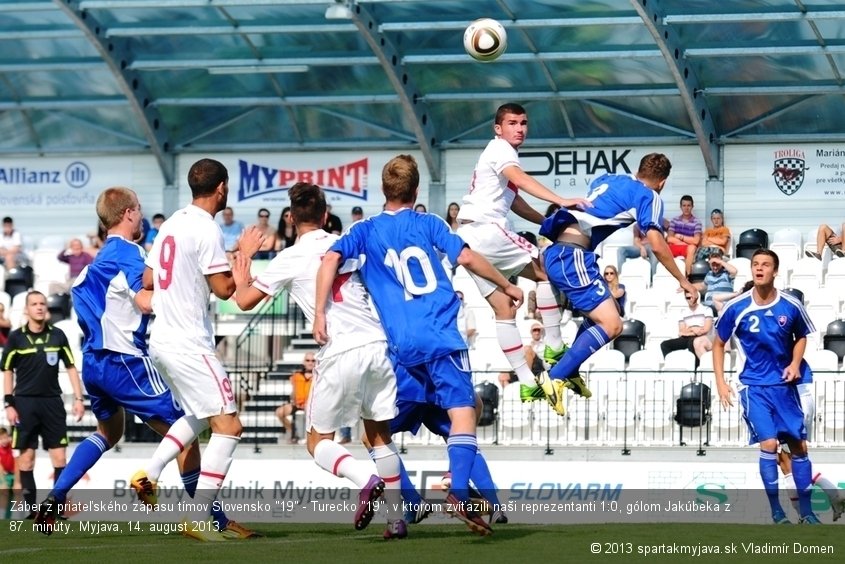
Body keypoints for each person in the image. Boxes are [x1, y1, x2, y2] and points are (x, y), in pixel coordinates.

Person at [314, 154, 523, 536]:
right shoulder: (429, 223)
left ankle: (413, 505)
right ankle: (461, 494)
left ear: (383, 190)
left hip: (402, 349)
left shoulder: (365, 230)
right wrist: (507, 285)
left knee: (375, 434)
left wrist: (319, 314)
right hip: (441, 336)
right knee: (464, 416)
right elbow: (467, 256)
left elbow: (329, 259)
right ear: (416, 190)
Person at [32, 187, 255, 538]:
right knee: (187, 431)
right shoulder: (128, 254)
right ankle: (212, 519)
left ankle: (55, 498)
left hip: (94, 362)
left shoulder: (95, 262)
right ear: (129, 214)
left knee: (109, 432)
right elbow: (147, 299)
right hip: (126, 363)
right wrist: (190, 285)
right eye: (139, 209)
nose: (141, 215)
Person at [232, 181, 405, 538]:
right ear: (326, 216)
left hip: (339, 349)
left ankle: (364, 479)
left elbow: (243, 300)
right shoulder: (347, 240)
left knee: (317, 441)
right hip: (378, 344)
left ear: (292, 220)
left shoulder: (290, 257)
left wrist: (245, 255)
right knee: (379, 437)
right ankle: (396, 519)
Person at [132, 158, 264, 541]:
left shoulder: (172, 223)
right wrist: (246, 255)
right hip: (190, 342)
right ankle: (197, 515)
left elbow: (148, 278)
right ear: (221, 187)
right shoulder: (207, 229)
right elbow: (226, 290)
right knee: (230, 425)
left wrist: (226, 253)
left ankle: (149, 473)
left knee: (199, 415)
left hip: (162, 340)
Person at [538, 153, 698, 415]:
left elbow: (596, 204)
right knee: (613, 325)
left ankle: (570, 370)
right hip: (572, 255)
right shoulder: (650, 196)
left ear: (638, 170)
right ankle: (553, 377)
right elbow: (656, 243)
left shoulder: (610, 178)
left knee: (608, 311)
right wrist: (684, 280)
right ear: (662, 182)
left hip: (561, 252)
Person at [455, 102, 590, 405]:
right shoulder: (502, 149)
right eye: (512, 123)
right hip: (487, 229)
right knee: (545, 269)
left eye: (523, 123)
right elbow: (522, 181)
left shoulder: (494, 154)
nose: (519, 129)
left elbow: (514, 201)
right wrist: (561, 201)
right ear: (498, 128)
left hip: (469, 237)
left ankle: (528, 382)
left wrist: (546, 221)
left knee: (504, 310)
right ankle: (555, 345)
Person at [712, 248, 821, 525]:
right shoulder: (735, 308)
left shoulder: (791, 305)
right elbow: (718, 343)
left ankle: (807, 513)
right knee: (770, 444)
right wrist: (721, 382)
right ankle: (776, 511)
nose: (760, 268)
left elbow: (803, 335)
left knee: (799, 447)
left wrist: (795, 363)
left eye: (766, 265)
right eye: (756, 264)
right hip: (753, 387)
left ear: (775, 271)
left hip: (785, 387)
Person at [2, 291, 83, 519]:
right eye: (34, 304)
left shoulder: (58, 336)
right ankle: (30, 510)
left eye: (42, 304)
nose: (39, 307)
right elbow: (7, 371)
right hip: (25, 404)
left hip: (52, 404)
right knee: (26, 459)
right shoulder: (16, 338)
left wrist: (78, 399)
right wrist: (9, 402)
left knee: (60, 458)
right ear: (26, 309)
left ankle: (56, 508)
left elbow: (70, 366)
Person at [659, 292, 713, 361]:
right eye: (688, 298)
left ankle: (695, 368)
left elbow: (706, 329)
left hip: (701, 337)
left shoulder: (706, 309)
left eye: (693, 297)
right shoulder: (683, 312)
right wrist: (694, 329)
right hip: (687, 337)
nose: (691, 299)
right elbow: (682, 331)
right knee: (665, 344)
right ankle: (672, 363)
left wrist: (689, 329)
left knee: (692, 343)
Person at [274, 354, 314, 444]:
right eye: (308, 360)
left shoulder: (318, 376)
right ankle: (293, 431)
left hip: (311, 404)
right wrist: (293, 401)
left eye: (313, 360)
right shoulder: (296, 375)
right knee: (279, 412)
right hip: (297, 403)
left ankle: (307, 436)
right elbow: (293, 391)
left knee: (308, 409)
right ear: (304, 362)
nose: (310, 363)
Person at [665, 195, 702, 275]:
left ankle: (687, 277)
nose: (686, 208)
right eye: (684, 205)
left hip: (687, 249)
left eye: (689, 205)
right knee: (663, 247)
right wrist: (686, 242)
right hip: (675, 247)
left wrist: (681, 237)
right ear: (680, 207)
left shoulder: (697, 222)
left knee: (692, 248)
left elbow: (696, 241)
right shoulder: (674, 220)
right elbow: (669, 238)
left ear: (692, 207)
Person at [0, 427, 14, 519]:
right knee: (4, 495)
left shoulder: (12, 445)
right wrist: (3, 481)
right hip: (3, 476)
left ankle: (7, 518)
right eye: (1, 439)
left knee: (11, 499)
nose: (4, 441)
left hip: (13, 475)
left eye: (5, 438)